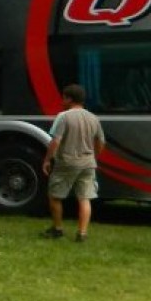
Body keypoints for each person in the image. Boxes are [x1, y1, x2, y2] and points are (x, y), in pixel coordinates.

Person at [41, 85, 104, 242]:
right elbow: (101, 141)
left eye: (63, 97)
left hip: (67, 162)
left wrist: (48, 159)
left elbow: (56, 140)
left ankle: (57, 229)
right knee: (84, 198)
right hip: (88, 162)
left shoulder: (63, 116)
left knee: (55, 196)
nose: (62, 101)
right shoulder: (93, 118)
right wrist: (94, 156)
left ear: (69, 99)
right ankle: (82, 233)